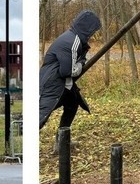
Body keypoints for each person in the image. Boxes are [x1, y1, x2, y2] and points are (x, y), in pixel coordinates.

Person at [39, 10, 102, 148]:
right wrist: (80, 64)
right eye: (93, 31)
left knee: (72, 104)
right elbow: (67, 71)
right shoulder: (72, 42)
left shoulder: (74, 39)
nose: (93, 35)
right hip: (53, 83)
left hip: (63, 84)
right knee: (42, 115)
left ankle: (61, 142)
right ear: (87, 28)